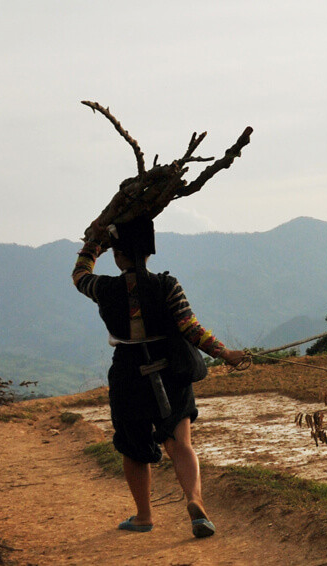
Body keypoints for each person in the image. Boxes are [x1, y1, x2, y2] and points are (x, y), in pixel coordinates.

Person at [72, 217, 250, 537]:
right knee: (180, 443)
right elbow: (190, 328)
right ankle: (195, 501)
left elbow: (79, 275)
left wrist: (93, 243)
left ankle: (144, 517)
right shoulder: (168, 285)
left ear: (118, 256)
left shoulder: (105, 288)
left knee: (134, 449)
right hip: (171, 366)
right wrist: (225, 353)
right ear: (148, 254)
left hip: (128, 372)